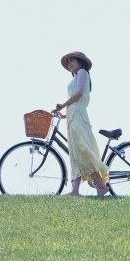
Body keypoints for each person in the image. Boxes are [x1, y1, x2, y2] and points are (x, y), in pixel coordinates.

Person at [54, 51, 110, 196]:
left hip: (78, 116)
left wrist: (63, 104)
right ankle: (75, 190)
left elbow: (79, 94)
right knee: (75, 153)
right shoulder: (77, 76)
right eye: (67, 63)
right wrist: (65, 114)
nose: (69, 64)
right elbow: (76, 102)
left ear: (80, 62)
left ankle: (101, 186)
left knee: (82, 150)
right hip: (74, 116)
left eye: (72, 61)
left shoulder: (83, 72)